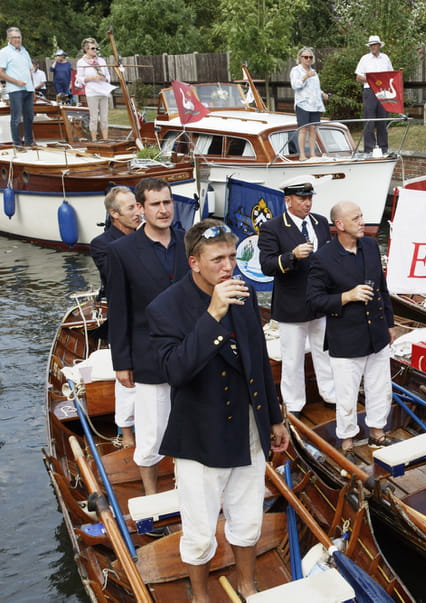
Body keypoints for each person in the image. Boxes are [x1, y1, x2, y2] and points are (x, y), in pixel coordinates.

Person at [148, 219, 289, 602]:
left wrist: (274, 418)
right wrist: (212, 315)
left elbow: (258, 360)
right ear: (194, 262)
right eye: (217, 259)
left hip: (248, 430)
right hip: (201, 435)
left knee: (247, 518)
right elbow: (175, 371)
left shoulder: (242, 296)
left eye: (231, 257)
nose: (228, 267)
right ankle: (200, 594)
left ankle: (247, 584)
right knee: (199, 529)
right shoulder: (165, 308)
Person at [107, 177, 189, 495]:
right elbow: (119, 310)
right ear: (140, 208)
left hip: (189, 352)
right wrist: (122, 362)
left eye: (167, 202)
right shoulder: (121, 252)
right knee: (152, 432)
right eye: (155, 204)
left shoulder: (187, 243)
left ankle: (189, 487)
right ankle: (152, 495)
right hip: (149, 356)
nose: (163, 209)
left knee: (192, 423)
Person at [307, 201, 395, 454]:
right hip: (346, 339)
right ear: (340, 225)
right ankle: (346, 442)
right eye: (356, 218)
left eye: (362, 216)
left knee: (380, 387)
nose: (362, 222)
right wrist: (347, 296)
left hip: (376, 334)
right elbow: (314, 300)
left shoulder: (369, 245)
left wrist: (389, 324)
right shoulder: (322, 258)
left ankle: (377, 433)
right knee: (346, 395)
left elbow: (382, 289)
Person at [258, 182, 336, 417]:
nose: (307, 203)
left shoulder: (320, 222)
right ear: (288, 200)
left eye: (309, 198)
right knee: (292, 359)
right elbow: (266, 266)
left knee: (325, 353)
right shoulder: (272, 228)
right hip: (291, 305)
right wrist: (292, 256)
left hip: (320, 301)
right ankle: (293, 405)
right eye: (301, 199)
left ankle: (330, 395)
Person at [89, 186, 142, 449]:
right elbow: (115, 280)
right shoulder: (102, 245)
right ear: (114, 214)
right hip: (125, 318)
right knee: (127, 381)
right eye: (131, 208)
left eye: (138, 205)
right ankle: (127, 433)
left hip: (153, 315)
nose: (138, 212)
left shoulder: (148, 235)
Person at [355, 35, 393, 156]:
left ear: (379, 46)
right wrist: (372, 81)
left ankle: (384, 148)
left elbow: (391, 75)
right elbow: (358, 77)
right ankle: (369, 149)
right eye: (371, 45)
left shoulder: (385, 58)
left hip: (383, 92)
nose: (373, 47)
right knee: (369, 120)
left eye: (374, 45)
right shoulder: (364, 59)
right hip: (370, 92)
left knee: (382, 120)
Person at [290, 47, 329, 160]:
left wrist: (323, 94)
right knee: (303, 129)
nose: (308, 59)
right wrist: (305, 77)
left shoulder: (314, 72)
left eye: (310, 57)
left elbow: (316, 88)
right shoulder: (296, 70)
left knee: (313, 129)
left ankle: (312, 153)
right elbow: (295, 85)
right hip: (303, 104)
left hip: (315, 105)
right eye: (305, 57)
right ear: (300, 58)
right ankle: (302, 154)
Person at [0, 27, 35, 147]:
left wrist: (33, 88)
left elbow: (30, 71)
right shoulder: (4, 52)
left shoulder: (25, 51)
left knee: (29, 117)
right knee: (16, 118)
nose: (17, 39)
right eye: (14, 37)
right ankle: (17, 143)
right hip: (15, 90)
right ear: (8, 38)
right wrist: (16, 82)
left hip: (28, 89)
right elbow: (0, 72)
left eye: (19, 37)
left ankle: (29, 142)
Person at [75, 38, 112, 141]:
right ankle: (94, 140)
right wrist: (91, 78)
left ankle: (105, 139)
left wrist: (105, 78)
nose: (95, 50)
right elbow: (79, 78)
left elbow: (108, 75)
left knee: (104, 117)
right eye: (92, 48)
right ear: (86, 49)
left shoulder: (101, 60)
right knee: (94, 117)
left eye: (96, 48)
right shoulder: (81, 62)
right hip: (92, 92)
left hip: (103, 91)